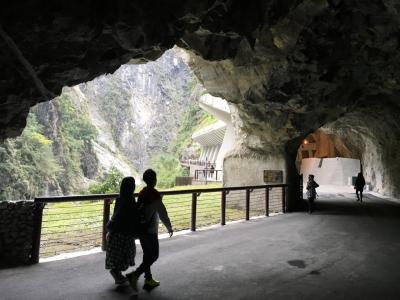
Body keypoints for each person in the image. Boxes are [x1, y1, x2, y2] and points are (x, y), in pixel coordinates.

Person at [127, 169, 173, 291]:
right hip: (150, 230)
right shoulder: (154, 195)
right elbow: (162, 213)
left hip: (141, 229)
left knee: (147, 255)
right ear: (154, 180)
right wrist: (169, 226)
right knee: (154, 255)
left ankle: (148, 279)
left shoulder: (142, 193)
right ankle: (135, 275)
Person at [105, 177, 137, 285]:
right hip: (124, 232)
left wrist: (110, 229)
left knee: (118, 254)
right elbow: (133, 214)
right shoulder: (130, 199)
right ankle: (116, 274)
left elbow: (115, 215)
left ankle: (118, 275)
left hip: (115, 230)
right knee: (127, 253)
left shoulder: (120, 198)